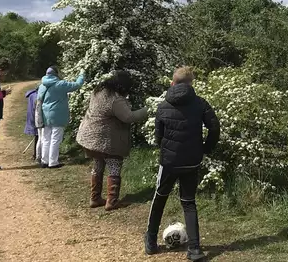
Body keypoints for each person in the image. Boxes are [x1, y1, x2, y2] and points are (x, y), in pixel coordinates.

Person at [144, 66, 220, 261]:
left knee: (159, 198)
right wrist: (205, 148)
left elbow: (158, 136)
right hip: (192, 161)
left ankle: (151, 242)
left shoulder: (163, 105)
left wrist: (166, 149)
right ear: (191, 83)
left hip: (169, 162)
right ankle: (194, 249)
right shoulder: (201, 103)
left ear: (173, 82)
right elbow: (214, 127)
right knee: (188, 202)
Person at [76, 70, 147, 210]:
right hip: (105, 139)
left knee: (98, 164)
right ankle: (112, 201)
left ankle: (95, 198)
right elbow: (128, 117)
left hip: (88, 137)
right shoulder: (115, 99)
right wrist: (149, 109)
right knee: (114, 164)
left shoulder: (99, 91)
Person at [37, 66, 84, 169]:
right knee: (55, 139)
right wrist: (81, 74)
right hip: (57, 115)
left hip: (45, 115)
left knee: (45, 139)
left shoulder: (42, 86)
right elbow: (77, 85)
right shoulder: (60, 84)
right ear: (56, 74)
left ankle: (44, 161)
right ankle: (53, 162)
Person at [24, 87, 41, 162]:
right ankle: (37, 155)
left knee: (37, 136)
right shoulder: (36, 96)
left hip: (32, 118)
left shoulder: (32, 94)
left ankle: (36, 154)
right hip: (36, 118)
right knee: (39, 137)